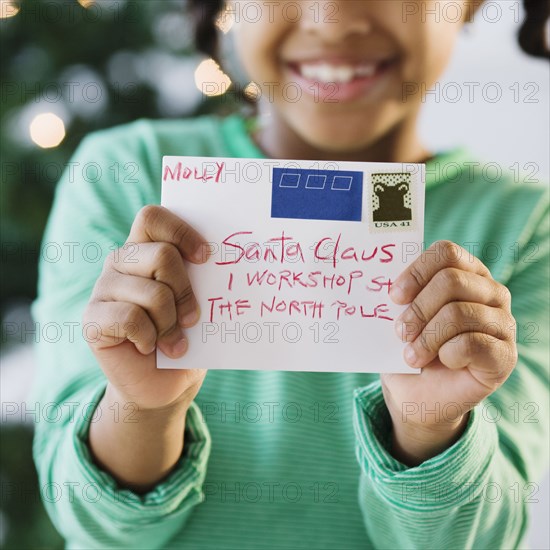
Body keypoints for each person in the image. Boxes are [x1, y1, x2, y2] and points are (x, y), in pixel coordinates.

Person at [31, 1, 549, 548]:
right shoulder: (125, 175)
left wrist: (429, 430)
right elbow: (85, 517)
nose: (333, 19)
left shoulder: (525, 225)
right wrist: (142, 409)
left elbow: (485, 537)